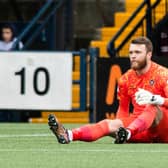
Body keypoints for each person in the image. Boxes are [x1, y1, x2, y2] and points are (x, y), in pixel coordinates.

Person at [48, 36, 168, 144]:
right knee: (108, 124)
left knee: (152, 106)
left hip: (164, 130)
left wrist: (157, 99)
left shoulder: (162, 74)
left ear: (149, 55)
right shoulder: (125, 79)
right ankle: (68, 134)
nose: (133, 56)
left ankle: (128, 133)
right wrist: (119, 127)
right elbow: (123, 109)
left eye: (137, 52)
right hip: (139, 128)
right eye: (131, 52)